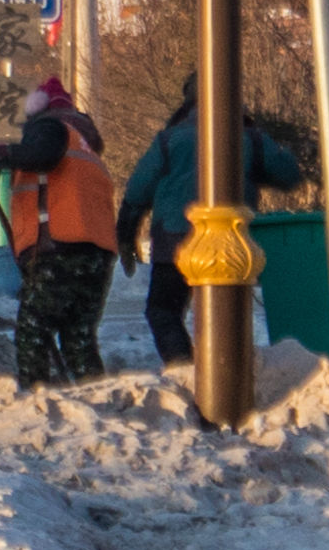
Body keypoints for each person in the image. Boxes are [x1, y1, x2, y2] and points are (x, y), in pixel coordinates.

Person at [112, 80, 310, 367]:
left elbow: (136, 192)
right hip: (233, 243)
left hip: (176, 239)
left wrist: (126, 235)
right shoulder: (249, 138)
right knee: (224, 315)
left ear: (188, 103)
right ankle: (226, 375)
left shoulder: (170, 139)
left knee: (163, 310)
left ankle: (182, 366)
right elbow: (289, 174)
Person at [0, 80, 119, 382]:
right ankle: (96, 398)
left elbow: (42, 154)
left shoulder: (51, 126)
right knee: (78, 336)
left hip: (60, 249)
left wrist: (1, 154)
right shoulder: (85, 144)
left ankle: (36, 399)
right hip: (96, 256)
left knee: (32, 327)